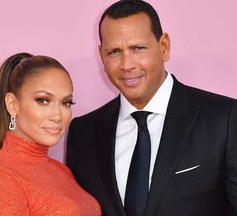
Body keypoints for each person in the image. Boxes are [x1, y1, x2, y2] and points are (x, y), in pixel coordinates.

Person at [66, 0, 237, 215]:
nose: (127, 65)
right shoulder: (82, 134)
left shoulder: (225, 119)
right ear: (101, 55)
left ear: (164, 47)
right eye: (114, 52)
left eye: (138, 48)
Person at [0, 52, 101, 215]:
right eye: (43, 100)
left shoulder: (61, 171)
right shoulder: (0, 178)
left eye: (66, 103)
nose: (57, 116)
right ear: (12, 104)